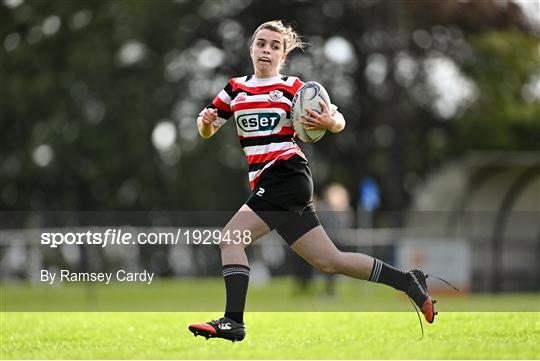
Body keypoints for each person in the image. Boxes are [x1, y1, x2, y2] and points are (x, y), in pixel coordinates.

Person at [188, 20, 435, 342]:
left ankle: (233, 321)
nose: (266, 50)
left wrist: (331, 122)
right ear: (251, 49)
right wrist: (205, 122)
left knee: (230, 238)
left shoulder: (294, 87)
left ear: (283, 55)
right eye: (261, 44)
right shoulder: (236, 88)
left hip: (286, 173)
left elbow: (338, 119)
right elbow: (206, 128)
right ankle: (407, 280)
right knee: (329, 261)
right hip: (273, 182)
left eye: (274, 46)